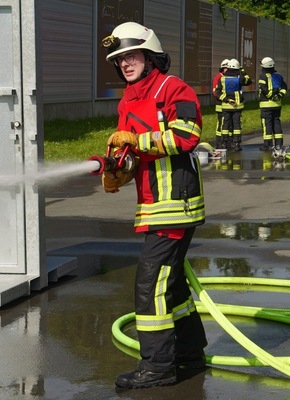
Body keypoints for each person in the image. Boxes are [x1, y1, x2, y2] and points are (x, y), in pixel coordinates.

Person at [100, 21, 207, 389]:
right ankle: (189, 355)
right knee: (172, 286)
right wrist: (119, 168)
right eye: (120, 59)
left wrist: (137, 141)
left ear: (150, 55)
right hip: (151, 203)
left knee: (151, 284)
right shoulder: (128, 98)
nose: (125, 63)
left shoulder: (173, 88)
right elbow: (132, 150)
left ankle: (157, 367)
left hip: (176, 201)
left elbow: (187, 136)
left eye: (131, 56)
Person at [216, 59, 252, 151]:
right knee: (236, 125)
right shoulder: (239, 78)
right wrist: (243, 71)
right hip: (237, 106)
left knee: (225, 124)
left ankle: (224, 143)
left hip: (226, 106)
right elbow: (249, 81)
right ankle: (236, 143)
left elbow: (218, 92)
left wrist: (226, 99)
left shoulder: (222, 78)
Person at [257, 56, 288, 151]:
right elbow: (284, 87)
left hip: (266, 105)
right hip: (277, 105)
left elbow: (263, 88)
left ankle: (267, 145)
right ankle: (279, 144)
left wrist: (271, 96)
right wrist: (279, 96)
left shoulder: (263, 76)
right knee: (277, 123)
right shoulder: (278, 76)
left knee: (267, 125)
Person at [213, 59, 229, 149]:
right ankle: (218, 141)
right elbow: (215, 92)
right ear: (222, 68)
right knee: (220, 123)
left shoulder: (229, 77)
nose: (227, 70)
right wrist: (224, 98)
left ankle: (226, 141)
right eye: (226, 68)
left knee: (227, 124)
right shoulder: (218, 77)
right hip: (220, 104)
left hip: (227, 105)